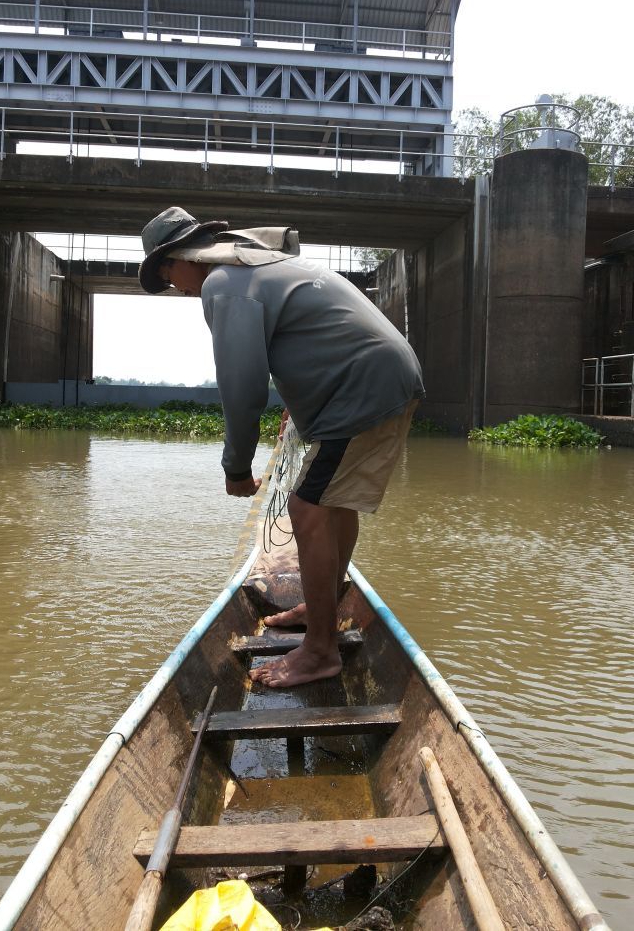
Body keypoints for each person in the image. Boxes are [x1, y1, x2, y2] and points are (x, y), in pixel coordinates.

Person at [139, 207, 424, 688]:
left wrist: (235, 467)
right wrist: (297, 405)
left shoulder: (223, 281)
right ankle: (323, 608)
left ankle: (318, 652)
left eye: (168, 274)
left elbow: (242, 386)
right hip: (383, 375)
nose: (178, 288)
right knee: (332, 503)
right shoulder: (260, 264)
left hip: (362, 386)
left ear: (181, 256)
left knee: (307, 507)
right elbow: (311, 338)